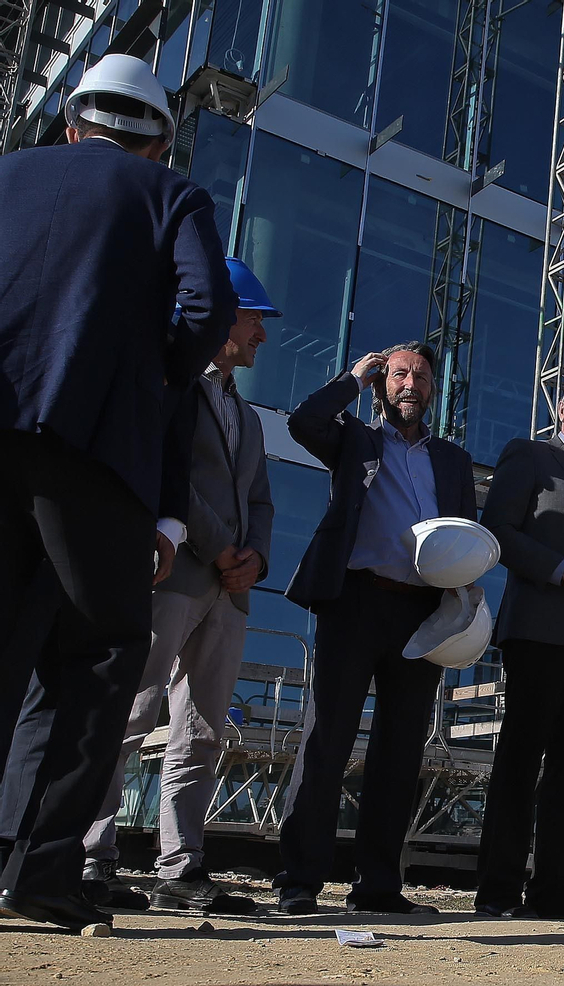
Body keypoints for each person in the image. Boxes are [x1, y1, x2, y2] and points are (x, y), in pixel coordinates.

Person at [0, 53, 234, 932]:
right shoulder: (170, 194)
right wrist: (150, 383)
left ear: (71, 121)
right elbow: (204, 308)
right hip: (93, 449)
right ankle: (46, 873)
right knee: (102, 650)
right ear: (160, 137)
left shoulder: (7, 174)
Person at [77, 259, 279, 915]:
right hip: (176, 575)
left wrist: (256, 561)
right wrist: (222, 547)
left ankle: (182, 868)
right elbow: (171, 479)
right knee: (130, 716)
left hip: (229, 592)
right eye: (255, 320)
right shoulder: (173, 386)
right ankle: (89, 858)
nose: (262, 336)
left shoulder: (245, 417)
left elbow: (262, 502)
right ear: (223, 316)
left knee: (202, 733)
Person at [273, 342, 477, 915]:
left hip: (422, 614)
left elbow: (464, 533)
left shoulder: (453, 461)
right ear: (383, 384)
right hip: (356, 602)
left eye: (420, 375)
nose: (410, 383)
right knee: (328, 740)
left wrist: (465, 586)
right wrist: (355, 377)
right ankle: (299, 880)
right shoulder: (354, 438)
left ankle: (380, 884)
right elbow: (302, 422)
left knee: (401, 753)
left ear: (433, 387)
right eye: (398, 374)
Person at [474, 373, 564, 922]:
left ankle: (553, 888)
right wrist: (563, 570)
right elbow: (498, 531)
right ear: (561, 408)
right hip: (539, 631)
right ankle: (498, 888)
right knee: (520, 760)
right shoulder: (529, 456)